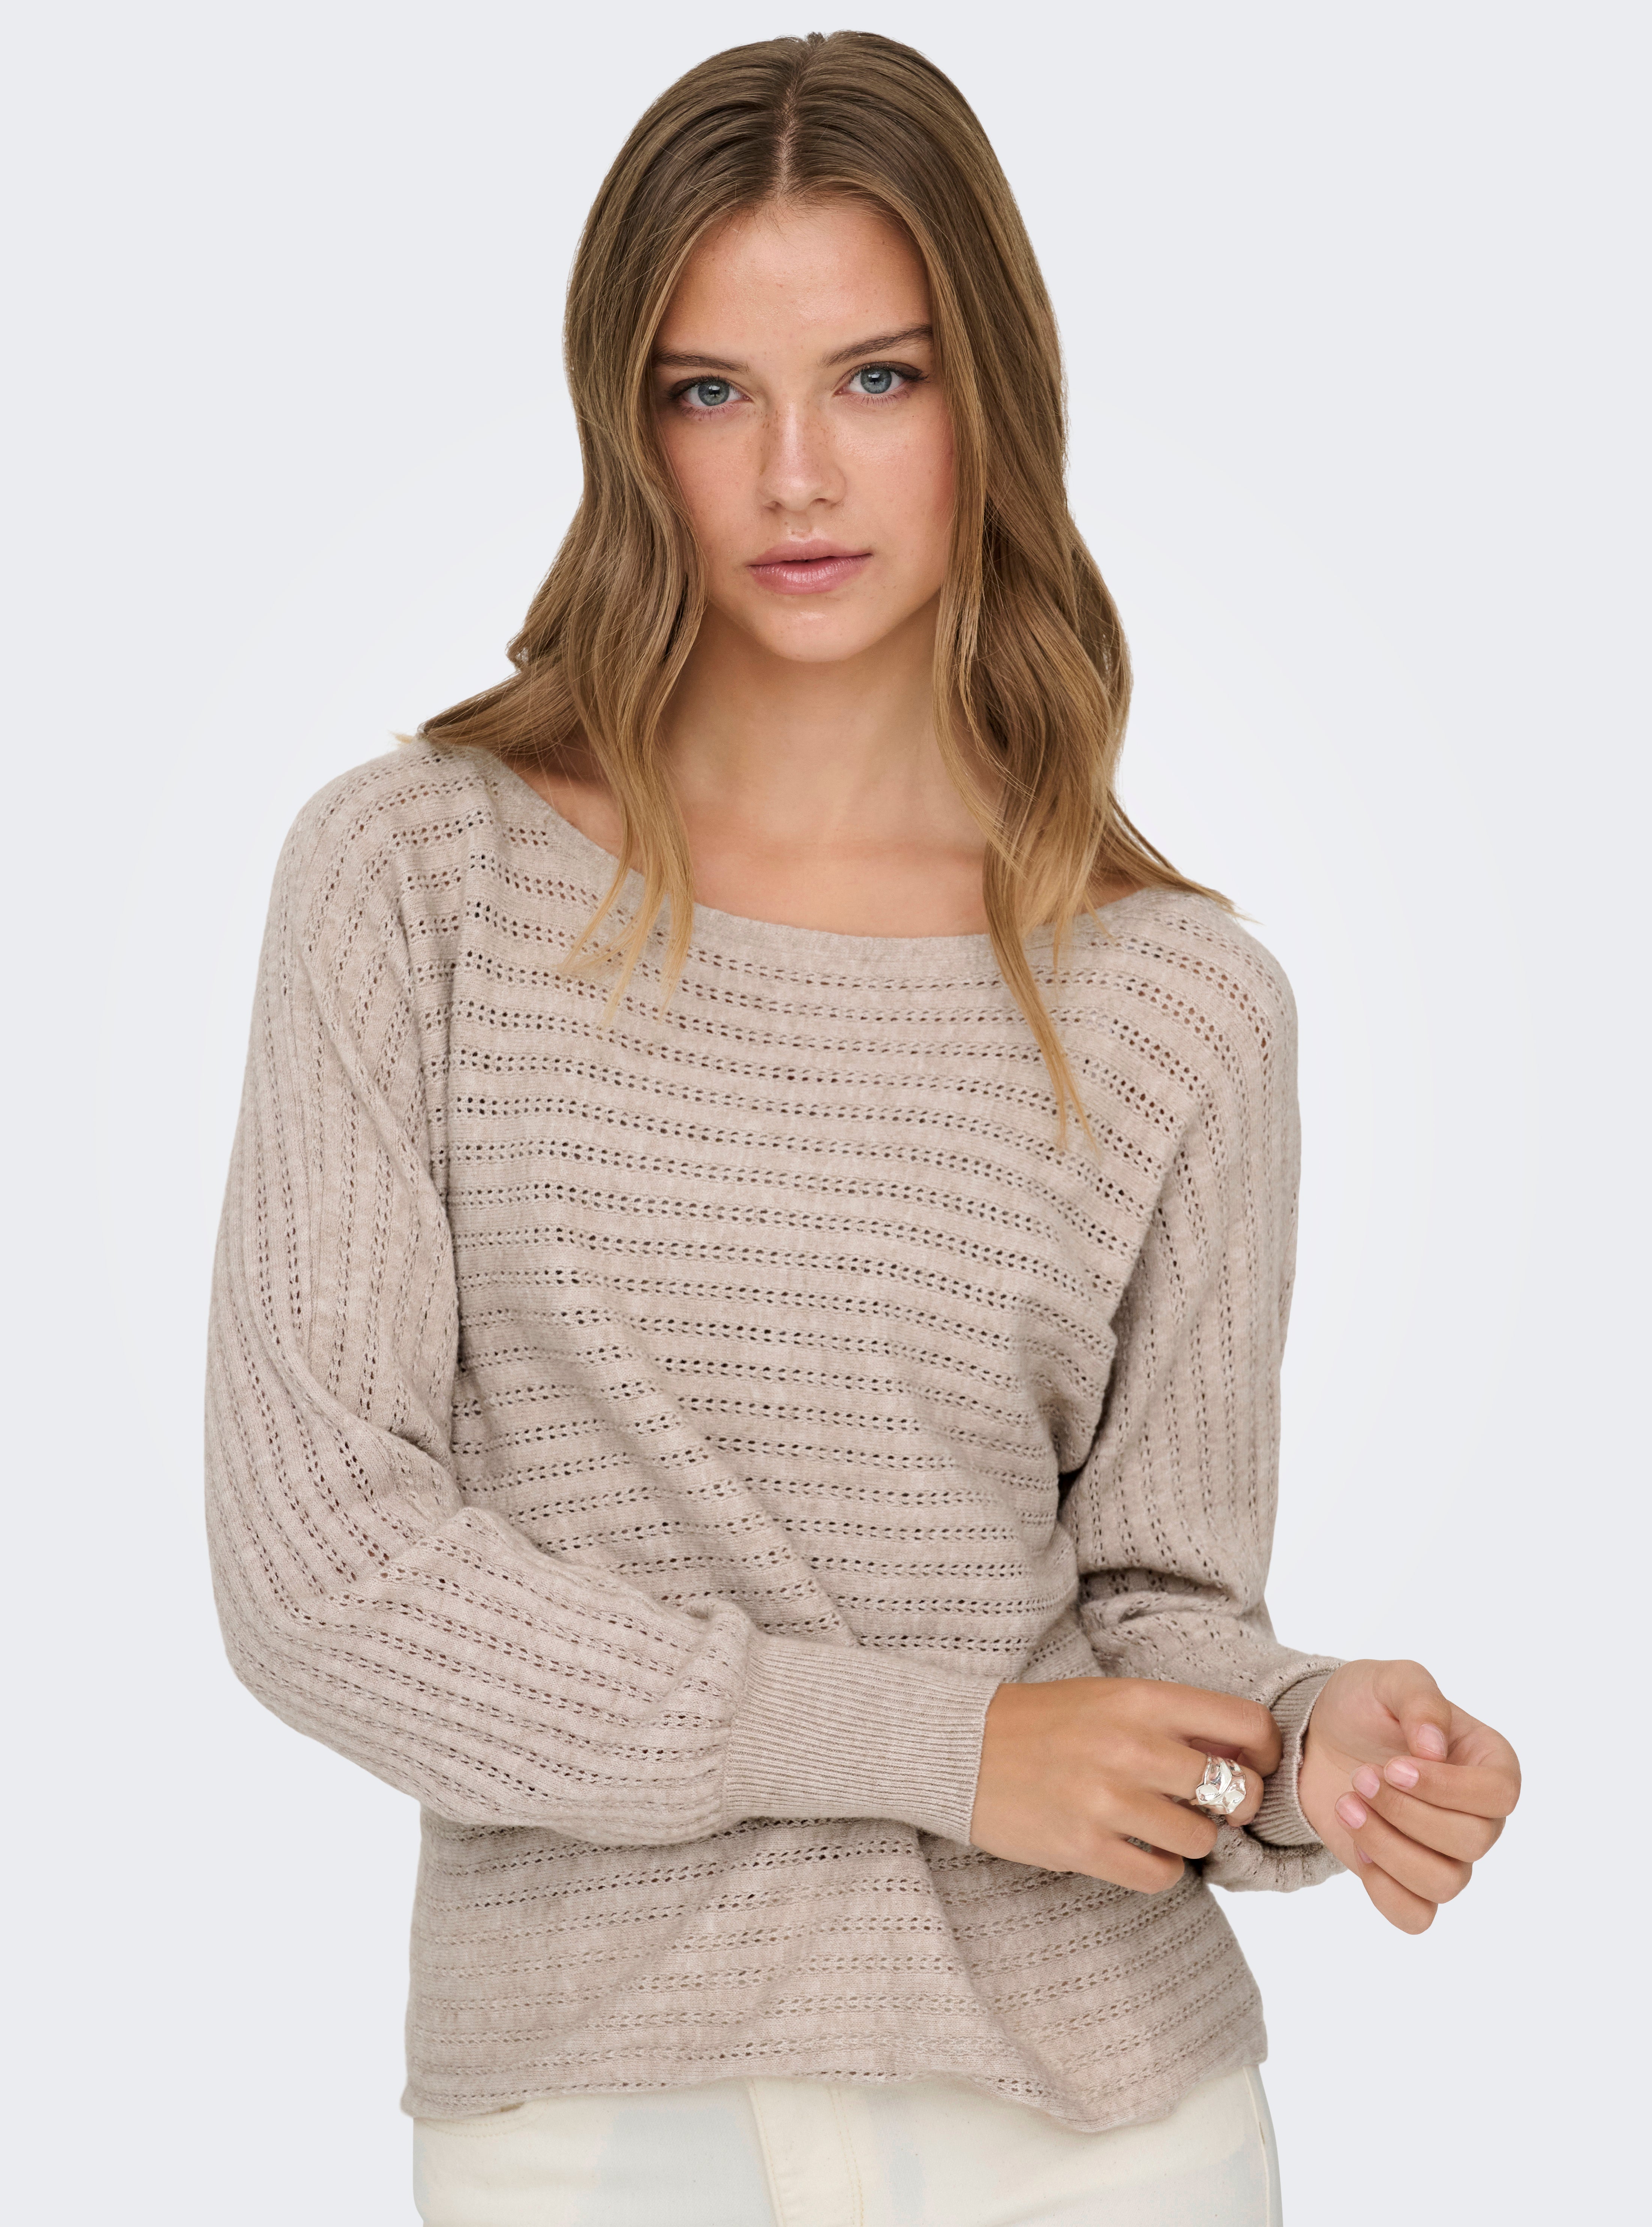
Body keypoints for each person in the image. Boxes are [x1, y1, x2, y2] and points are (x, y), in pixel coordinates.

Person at [204, 31, 1520, 2226]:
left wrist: (1308, 1744)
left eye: (879, 379)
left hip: (1103, 2122)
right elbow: (325, 1575)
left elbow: (1153, 1609)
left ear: (992, 398)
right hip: (596, 2116)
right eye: (711, 391)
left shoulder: (1178, 1001)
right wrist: (940, 1748)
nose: (796, 473)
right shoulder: (418, 882)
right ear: (624, 424)